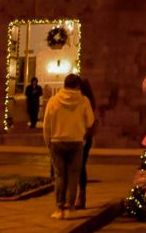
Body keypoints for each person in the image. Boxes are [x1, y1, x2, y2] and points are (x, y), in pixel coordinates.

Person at [43, 73, 95, 220]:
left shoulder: (53, 101)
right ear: (77, 86)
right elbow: (90, 122)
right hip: (76, 142)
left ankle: (59, 208)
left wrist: (48, 143)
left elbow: (47, 125)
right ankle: (70, 207)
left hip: (57, 141)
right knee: (73, 175)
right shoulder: (84, 101)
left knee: (60, 175)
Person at [75, 78, 97, 209]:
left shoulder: (86, 101)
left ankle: (81, 195)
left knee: (80, 166)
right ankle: (74, 195)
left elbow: (90, 121)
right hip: (73, 136)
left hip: (84, 136)